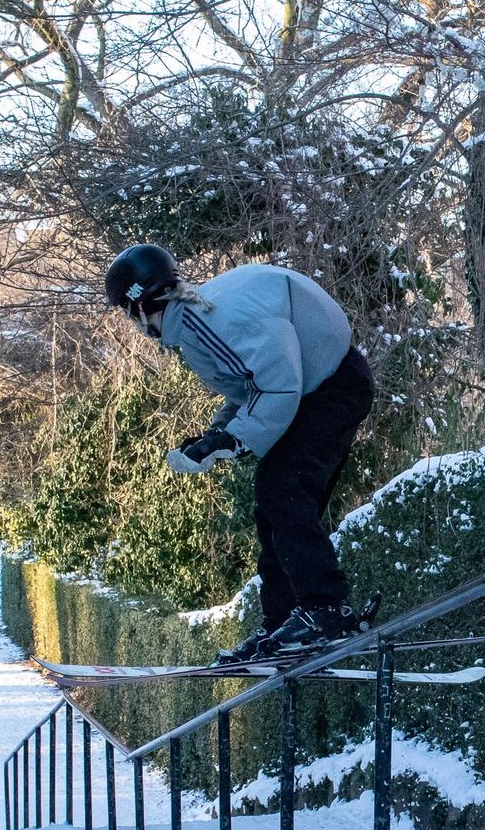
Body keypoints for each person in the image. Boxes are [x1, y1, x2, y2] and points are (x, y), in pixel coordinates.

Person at [105, 244, 374, 661]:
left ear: (138, 307)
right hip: (319, 385)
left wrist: (233, 440)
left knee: (282, 488)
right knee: (274, 504)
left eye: (126, 313)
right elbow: (251, 383)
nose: (132, 325)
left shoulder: (205, 321)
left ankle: (325, 610)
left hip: (330, 387)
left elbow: (279, 385)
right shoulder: (196, 319)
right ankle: (285, 622)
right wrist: (217, 433)